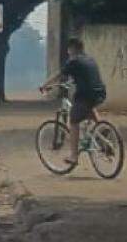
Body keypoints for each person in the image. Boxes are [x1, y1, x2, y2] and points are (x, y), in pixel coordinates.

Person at [40, 37, 107, 166]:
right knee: (89, 108)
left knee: (74, 120)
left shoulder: (73, 61)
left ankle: (73, 156)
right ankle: (104, 134)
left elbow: (59, 75)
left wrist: (44, 85)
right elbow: (83, 76)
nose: (68, 52)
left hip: (85, 94)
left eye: (68, 49)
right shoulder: (89, 59)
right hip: (100, 93)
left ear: (72, 49)